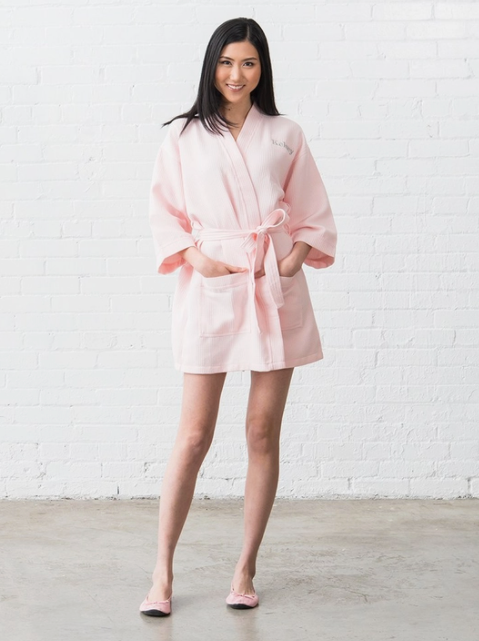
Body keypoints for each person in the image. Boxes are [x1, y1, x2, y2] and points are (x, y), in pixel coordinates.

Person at [139, 17, 337, 616]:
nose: (236, 74)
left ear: (262, 69)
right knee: (194, 435)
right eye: (227, 62)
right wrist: (198, 259)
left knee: (260, 431)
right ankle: (162, 571)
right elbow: (165, 214)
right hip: (213, 284)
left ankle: (245, 566)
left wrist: (292, 261)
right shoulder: (183, 136)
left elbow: (312, 211)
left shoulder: (285, 133)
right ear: (212, 66)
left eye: (248, 63)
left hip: (274, 285)